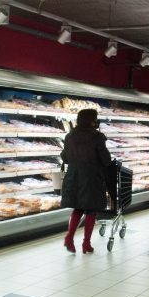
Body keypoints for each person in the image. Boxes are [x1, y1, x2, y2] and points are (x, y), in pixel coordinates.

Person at [60, 108, 112, 254]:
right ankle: (86, 244)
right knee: (91, 209)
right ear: (91, 120)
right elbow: (106, 161)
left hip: (74, 176)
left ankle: (69, 238)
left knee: (78, 208)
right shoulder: (97, 137)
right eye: (95, 118)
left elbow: (65, 157)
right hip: (91, 177)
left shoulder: (70, 136)